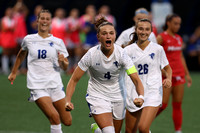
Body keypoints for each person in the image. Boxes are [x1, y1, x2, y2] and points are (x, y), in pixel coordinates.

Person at [65, 16, 144, 133]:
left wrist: (141, 97)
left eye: (111, 33)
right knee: (109, 131)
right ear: (98, 36)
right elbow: (74, 80)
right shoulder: (91, 54)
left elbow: (136, 79)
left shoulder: (122, 54)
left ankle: (97, 131)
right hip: (97, 96)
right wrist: (67, 100)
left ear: (115, 36)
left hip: (118, 96)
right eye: (104, 33)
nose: (108, 36)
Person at [8, 9, 72, 133]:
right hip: (37, 85)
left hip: (55, 84)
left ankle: (95, 129)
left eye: (47, 19)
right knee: (54, 117)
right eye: (42, 18)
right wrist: (14, 71)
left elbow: (65, 67)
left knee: (67, 121)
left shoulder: (58, 42)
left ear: (50, 22)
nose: (44, 21)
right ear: (37, 20)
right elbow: (22, 53)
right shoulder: (29, 39)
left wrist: (63, 62)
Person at [124, 19, 172, 133]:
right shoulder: (127, 50)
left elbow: (167, 68)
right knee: (130, 131)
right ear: (136, 30)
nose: (143, 32)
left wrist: (168, 79)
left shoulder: (157, 49)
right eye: (140, 29)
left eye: (147, 29)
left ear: (151, 32)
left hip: (153, 91)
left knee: (143, 128)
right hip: (133, 92)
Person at [156, 14, 192, 133]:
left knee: (177, 105)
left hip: (179, 75)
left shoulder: (178, 38)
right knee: (163, 105)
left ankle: (178, 130)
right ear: (168, 23)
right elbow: (154, 56)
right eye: (175, 23)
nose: (178, 26)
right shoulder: (161, 38)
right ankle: (144, 122)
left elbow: (181, 57)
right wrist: (161, 71)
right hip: (166, 77)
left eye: (179, 24)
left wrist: (187, 74)